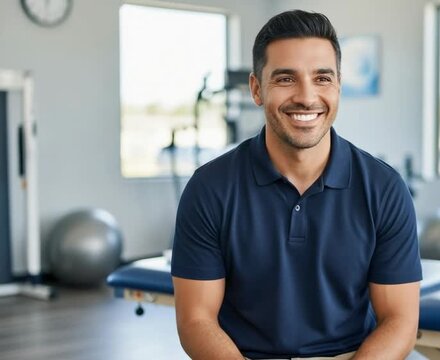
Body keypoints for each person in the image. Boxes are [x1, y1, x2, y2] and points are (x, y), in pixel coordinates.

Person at [171, 9, 422, 360]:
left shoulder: (384, 188)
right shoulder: (210, 188)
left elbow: (400, 321)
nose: (306, 96)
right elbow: (196, 320)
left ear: (338, 86)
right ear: (257, 89)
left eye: (322, 78)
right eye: (286, 79)